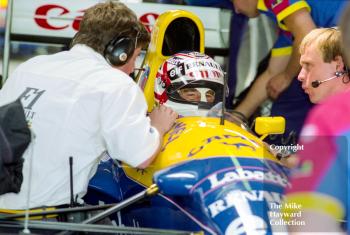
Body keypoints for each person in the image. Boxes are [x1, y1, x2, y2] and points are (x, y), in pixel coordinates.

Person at [0, 1, 177, 210]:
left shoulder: (30, 67)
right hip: (43, 220)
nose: (132, 68)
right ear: (120, 50)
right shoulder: (116, 84)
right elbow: (140, 156)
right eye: (136, 55)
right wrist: (157, 126)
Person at [231, 0, 348, 145]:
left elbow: (306, 34)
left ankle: (287, 157)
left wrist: (287, 76)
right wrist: (236, 117)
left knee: (288, 106)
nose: (236, 10)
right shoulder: (288, 28)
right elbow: (272, 73)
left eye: (233, 1)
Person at [283, 7, 350, 233]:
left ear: (339, 66)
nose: (300, 75)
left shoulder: (333, 117)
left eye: (308, 66)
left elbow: (306, 222)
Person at [154, 51, 224, 117]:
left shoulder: (220, 126)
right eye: (191, 95)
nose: (203, 100)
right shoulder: (148, 127)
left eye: (208, 95)